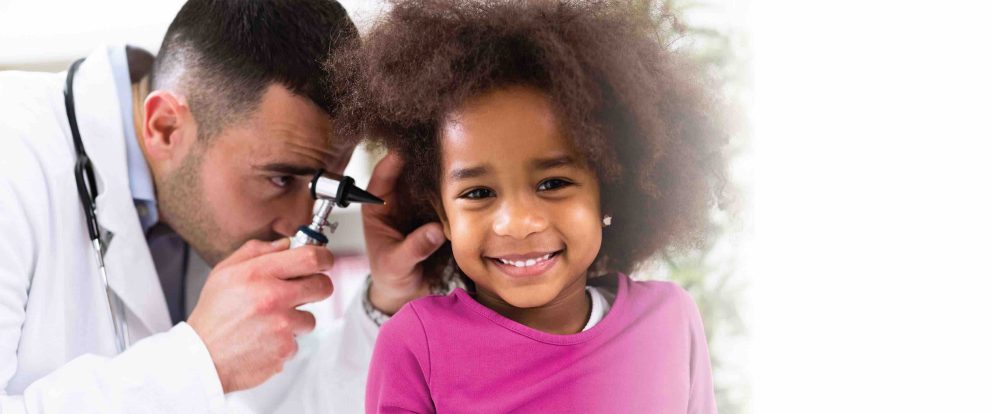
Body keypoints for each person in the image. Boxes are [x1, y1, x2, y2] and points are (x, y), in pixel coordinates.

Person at [0, 1, 445, 413]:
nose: (296, 221)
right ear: (166, 127)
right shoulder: (14, 154)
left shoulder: (203, 192)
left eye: (322, 185)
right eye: (280, 179)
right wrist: (198, 363)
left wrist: (387, 300)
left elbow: (282, 402)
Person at [331, 0, 726, 412]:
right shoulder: (417, 345)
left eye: (553, 183)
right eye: (479, 193)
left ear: (607, 192)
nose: (517, 224)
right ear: (443, 213)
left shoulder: (668, 320)